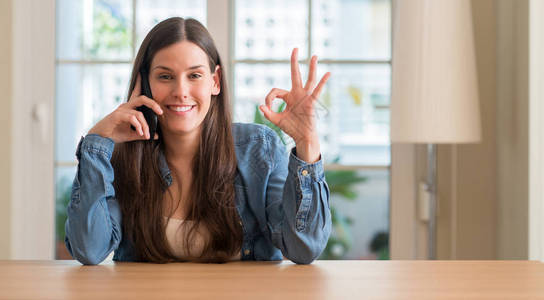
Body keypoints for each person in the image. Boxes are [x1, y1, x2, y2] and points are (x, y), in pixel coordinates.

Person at [65, 17, 332, 265]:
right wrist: (96, 141)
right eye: (165, 76)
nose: (181, 91)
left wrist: (307, 143)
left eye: (194, 76)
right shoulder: (123, 156)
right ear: (145, 82)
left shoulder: (259, 148)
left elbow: (303, 248)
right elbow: (89, 250)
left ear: (214, 82)